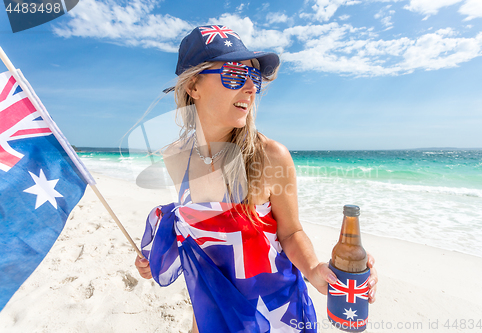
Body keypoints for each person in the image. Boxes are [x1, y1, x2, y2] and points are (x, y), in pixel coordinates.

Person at [135, 25, 378, 332]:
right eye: (234, 75)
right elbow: (202, 235)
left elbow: (290, 232)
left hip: (275, 315)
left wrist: (315, 269)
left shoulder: (271, 156)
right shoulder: (175, 158)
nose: (250, 88)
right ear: (193, 87)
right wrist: (156, 256)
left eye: (253, 79)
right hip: (212, 315)